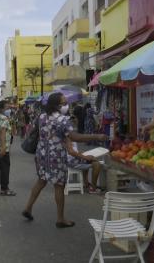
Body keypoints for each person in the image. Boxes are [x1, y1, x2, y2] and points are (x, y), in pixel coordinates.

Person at [22, 93, 107, 228]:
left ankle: (28, 208)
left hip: (42, 154)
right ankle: (60, 219)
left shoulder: (42, 116)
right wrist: (96, 136)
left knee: (41, 180)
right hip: (56, 157)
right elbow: (74, 137)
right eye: (63, 103)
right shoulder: (62, 120)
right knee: (59, 186)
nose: (66, 105)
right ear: (56, 105)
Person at [66, 116, 102, 194]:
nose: (75, 121)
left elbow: (73, 151)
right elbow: (71, 152)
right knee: (97, 164)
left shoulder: (70, 135)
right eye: (72, 121)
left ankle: (87, 184)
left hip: (74, 159)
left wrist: (84, 155)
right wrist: (85, 157)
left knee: (90, 159)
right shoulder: (67, 136)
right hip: (71, 161)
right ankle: (93, 188)